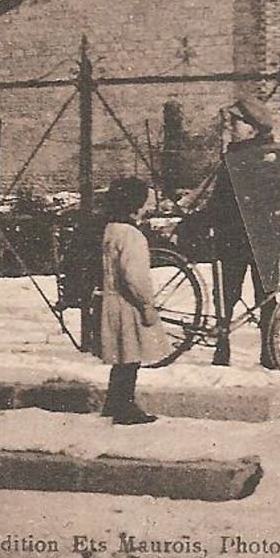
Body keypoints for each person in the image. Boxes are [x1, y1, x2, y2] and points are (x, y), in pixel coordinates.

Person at [208, 98, 279, 367]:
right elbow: (219, 199)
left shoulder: (267, 156)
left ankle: (268, 350)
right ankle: (223, 346)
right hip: (238, 238)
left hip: (258, 238)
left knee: (266, 296)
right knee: (228, 293)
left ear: (252, 129)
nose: (232, 128)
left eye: (237, 123)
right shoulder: (234, 156)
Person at [98, 176, 162, 425]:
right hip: (128, 303)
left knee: (122, 356)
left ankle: (114, 402)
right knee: (130, 357)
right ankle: (125, 407)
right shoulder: (132, 235)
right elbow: (134, 276)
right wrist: (146, 305)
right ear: (134, 204)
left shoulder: (110, 229)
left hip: (111, 299)